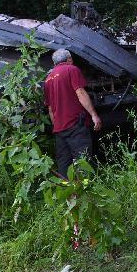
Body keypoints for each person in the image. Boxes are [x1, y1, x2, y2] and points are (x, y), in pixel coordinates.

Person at [43, 49, 102, 178]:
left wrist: (57, 127)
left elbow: (50, 109)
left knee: (64, 163)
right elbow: (80, 93)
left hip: (59, 129)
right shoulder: (71, 69)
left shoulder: (47, 80)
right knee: (83, 159)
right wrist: (94, 115)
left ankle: (68, 193)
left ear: (54, 63)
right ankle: (87, 191)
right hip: (75, 124)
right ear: (69, 59)